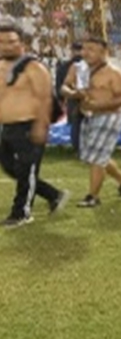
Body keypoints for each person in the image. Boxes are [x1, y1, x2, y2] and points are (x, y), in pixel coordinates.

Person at [0, 22, 69, 227]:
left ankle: (21, 212)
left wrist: (41, 126)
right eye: (1, 42)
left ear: (22, 43)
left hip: (29, 126)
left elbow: (45, 99)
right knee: (12, 169)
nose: (6, 46)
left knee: (26, 171)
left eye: (11, 42)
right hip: (7, 127)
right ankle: (54, 195)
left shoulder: (34, 67)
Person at [66, 38, 121, 208]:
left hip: (109, 116)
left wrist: (99, 105)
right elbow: (66, 86)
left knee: (97, 158)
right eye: (84, 48)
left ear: (103, 52)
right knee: (95, 156)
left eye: (91, 49)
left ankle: (93, 196)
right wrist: (74, 94)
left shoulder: (114, 72)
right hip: (88, 116)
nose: (86, 52)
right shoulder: (79, 69)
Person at [56, 41, 88, 152]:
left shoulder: (66, 65)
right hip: (88, 97)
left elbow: (60, 83)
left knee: (76, 124)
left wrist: (61, 99)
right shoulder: (89, 64)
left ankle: (78, 149)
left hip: (73, 98)